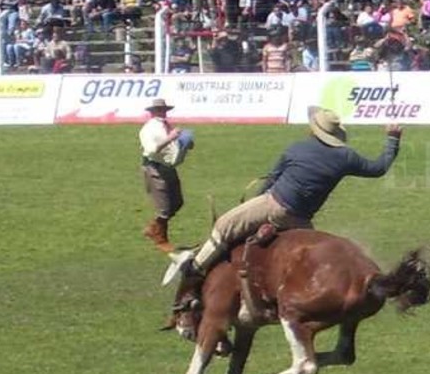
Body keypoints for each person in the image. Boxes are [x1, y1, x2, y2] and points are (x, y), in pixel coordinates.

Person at [162, 108, 402, 291]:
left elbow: (272, 180)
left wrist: (253, 203)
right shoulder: (346, 156)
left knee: (224, 225)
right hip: (301, 220)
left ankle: (195, 269)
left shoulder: (297, 148)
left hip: (274, 206)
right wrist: (392, 138)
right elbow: (378, 168)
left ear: (314, 130)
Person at [140, 99, 193, 253]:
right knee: (164, 207)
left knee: (177, 202)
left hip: (168, 167)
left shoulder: (166, 126)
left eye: (163, 110)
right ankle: (160, 238)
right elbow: (152, 150)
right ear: (152, 112)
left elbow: (173, 147)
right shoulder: (148, 129)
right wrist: (171, 137)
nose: (162, 113)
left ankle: (153, 228)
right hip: (154, 167)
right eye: (159, 110)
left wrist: (185, 143)